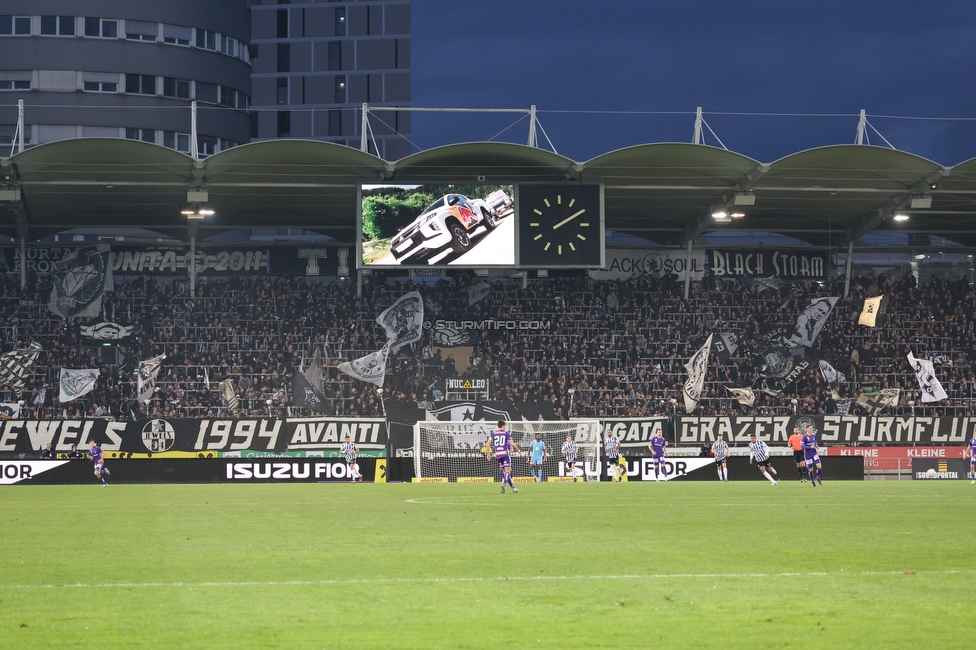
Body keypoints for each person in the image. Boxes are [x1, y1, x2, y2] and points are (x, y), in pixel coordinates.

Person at [487, 420, 520, 493]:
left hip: (498, 454)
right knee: (508, 471)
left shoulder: (493, 434)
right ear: (503, 426)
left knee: (504, 472)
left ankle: (513, 488)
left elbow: (488, 444)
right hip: (505, 453)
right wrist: (517, 449)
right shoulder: (506, 433)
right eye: (505, 425)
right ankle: (504, 484)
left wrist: (488, 454)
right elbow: (512, 443)